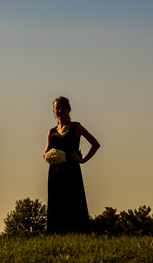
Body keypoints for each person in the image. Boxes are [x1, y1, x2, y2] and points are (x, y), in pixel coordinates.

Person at [45, 95, 100, 234]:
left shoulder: (76, 127)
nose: (60, 111)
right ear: (53, 111)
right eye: (57, 108)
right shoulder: (51, 132)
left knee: (74, 202)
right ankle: (56, 233)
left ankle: (78, 231)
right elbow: (46, 152)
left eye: (63, 107)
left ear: (68, 109)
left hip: (72, 171)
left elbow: (95, 144)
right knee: (57, 203)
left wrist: (83, 160)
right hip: (56, 172)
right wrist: (52, 157)